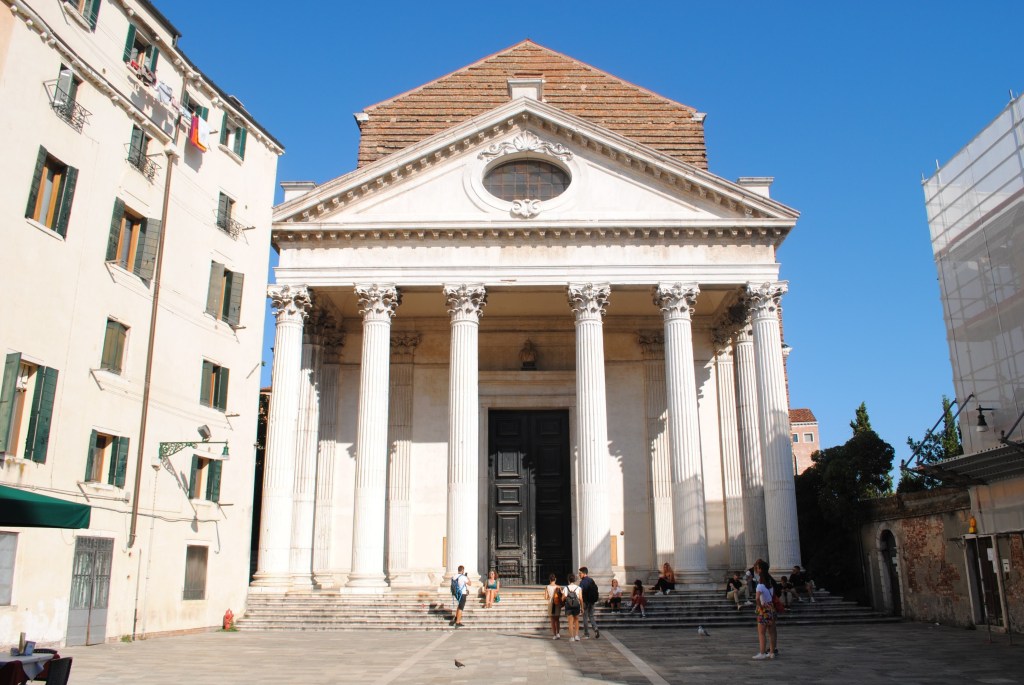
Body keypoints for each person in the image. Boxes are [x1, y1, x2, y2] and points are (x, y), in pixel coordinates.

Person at [752, 559, 778, 660]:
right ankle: (771, 652)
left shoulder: (760, 585)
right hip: (771, 608)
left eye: (757, 568)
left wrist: (760, 606)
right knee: (772, 632)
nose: (756, 569)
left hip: (764, 609)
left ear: (760, 570)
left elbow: (757, 598)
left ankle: (762, 652)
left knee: (761, 633)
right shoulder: (770, 585)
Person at [578, 566, 600, 639]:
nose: (579, 575)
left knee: (585, 617)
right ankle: (595, 628)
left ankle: (586, 634)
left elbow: (580, 592)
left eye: (580, 573)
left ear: (584, 573)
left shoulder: (582, 582)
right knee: (591, 616)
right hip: (592, 601)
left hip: (585, 602)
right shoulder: (591, 580)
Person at [564, 573, 582, 641]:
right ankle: (576, 635)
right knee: (576, 620)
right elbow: (581, 598)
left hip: (569, 606)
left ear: (568, 580)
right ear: (574, 580)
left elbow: (563, 597)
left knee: (570, 622)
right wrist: (582, 607)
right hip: (576, 605)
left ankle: (572, 637)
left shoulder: (566, 588)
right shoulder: (578, 588)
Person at [546, 573, 563, 639]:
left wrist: (550, 596)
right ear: (555, 579)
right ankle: (558, 633)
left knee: (552, 620)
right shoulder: (558, 587)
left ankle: (554, 635)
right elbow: (561, 596)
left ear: (550, 580)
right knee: (557, 619)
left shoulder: (547, 587)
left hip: (551, 603)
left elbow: (546, 597)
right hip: (557, 603)